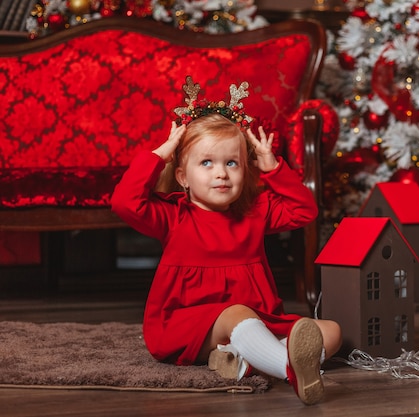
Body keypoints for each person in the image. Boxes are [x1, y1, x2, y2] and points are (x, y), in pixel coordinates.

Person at [111, 77, 341, 405]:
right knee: (236, 313)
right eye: (207, 163)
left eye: (231, 163)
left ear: (245, 170)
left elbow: (305, 210)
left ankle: (241, 361)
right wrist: (159, 155)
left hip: (259, 319)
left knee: (331, 331)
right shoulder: (174, 216)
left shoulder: (255, 212)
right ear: (182, 177)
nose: (221, 173)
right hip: (187, 324)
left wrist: (273, 167)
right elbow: (124, 203)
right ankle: (288, 368)